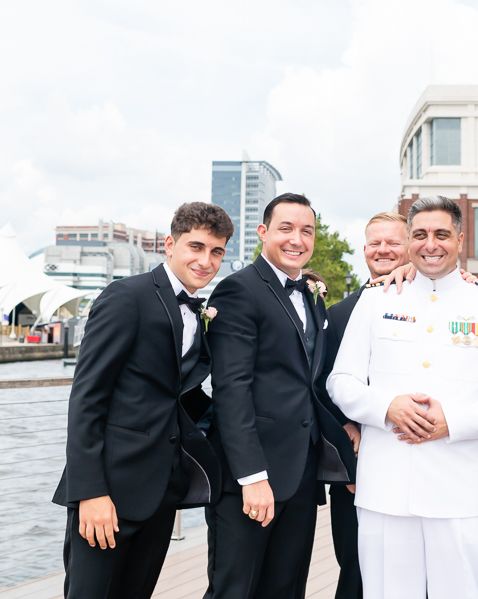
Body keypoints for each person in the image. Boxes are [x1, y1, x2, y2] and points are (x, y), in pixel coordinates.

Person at [327, 195, 478, 599]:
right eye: (419, 234)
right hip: (384, 487)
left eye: (441, 234)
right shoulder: (375, 300)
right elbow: (341, 381)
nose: (430, 244)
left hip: (457, 490)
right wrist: (387, 407)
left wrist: (451, 421)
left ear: (460, 239)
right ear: (408, 240)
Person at [52, 202, 233, 599]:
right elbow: (86, 398)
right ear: (170, 245)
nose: (206, 261)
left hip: (161, 493)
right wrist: (90, 492)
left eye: (216, 251)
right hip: (108, 494)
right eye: (196, 247)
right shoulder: (126, 297)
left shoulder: (198, 311)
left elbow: (179, 395)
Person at [203, 193, 356, 599]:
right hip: (251, 478)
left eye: (306, 231)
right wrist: (252, 477)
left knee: (286, 589)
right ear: (263, 232)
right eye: (286, 228)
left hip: (302, 476)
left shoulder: (310, 293)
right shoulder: (239, 290)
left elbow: (313, 383)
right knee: (235, 590)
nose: (297, 239)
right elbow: (231, 390)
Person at [321, 211, 410, 599]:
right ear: (364, 250)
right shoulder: (338, 314)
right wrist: (347, 438)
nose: (383, 250)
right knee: (355, 569)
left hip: (415, 462)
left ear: (410, 246)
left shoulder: (439, 302)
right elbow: (321, 383)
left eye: (393, 242)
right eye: (375, 242)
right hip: (355, 467)